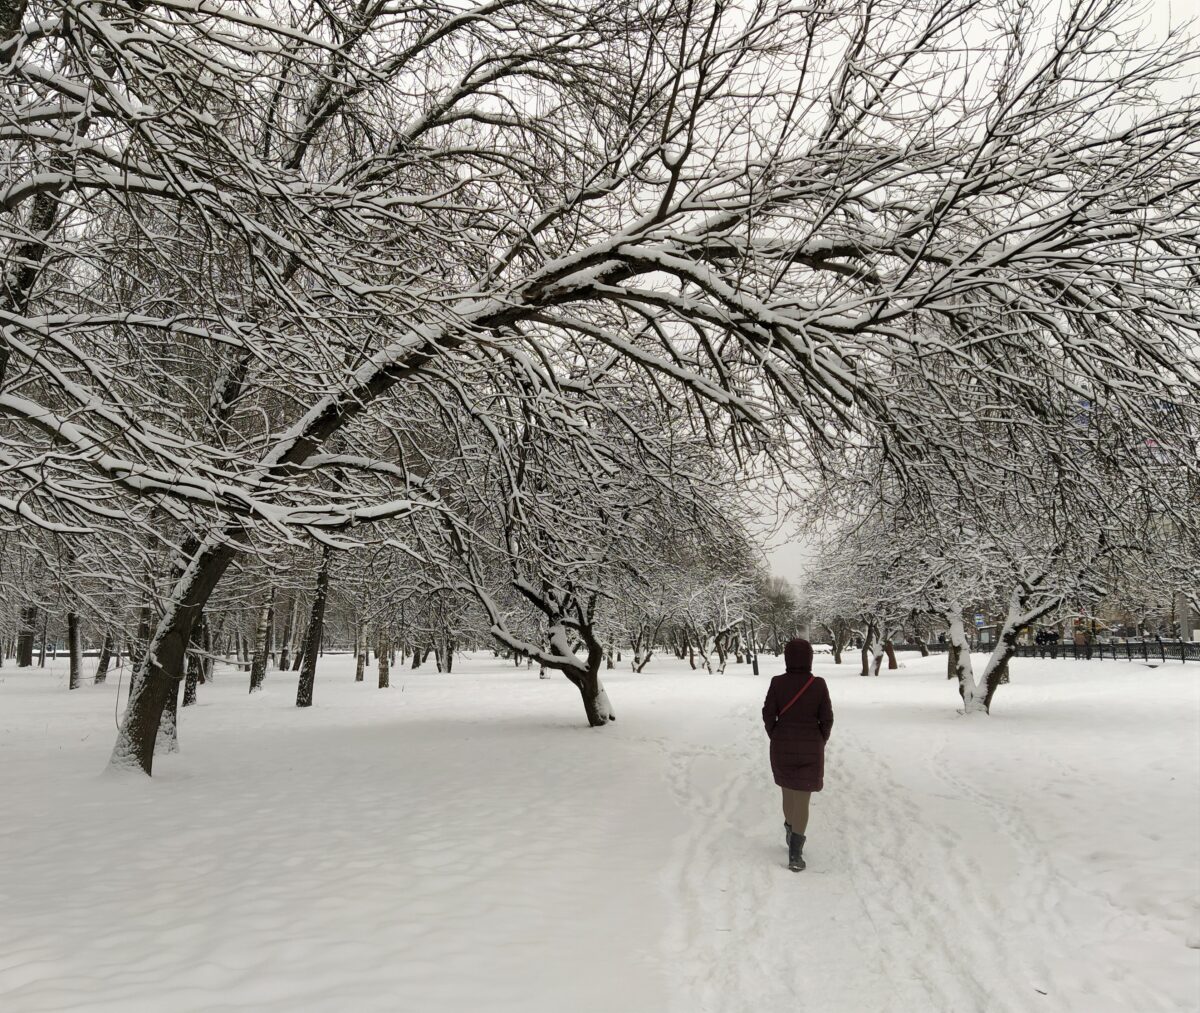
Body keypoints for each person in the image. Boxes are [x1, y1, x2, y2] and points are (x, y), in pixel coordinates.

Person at [762, 637, 834, 871]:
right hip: (810, 748)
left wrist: (775, 734)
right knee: (802, 798)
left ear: (787, 658)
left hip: (782, 746)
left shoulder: (777, 683)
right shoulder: (818, 684)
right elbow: (827, 718)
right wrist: (820, 739)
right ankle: (796, 853)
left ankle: (790, 830)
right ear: (810, 659)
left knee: (788, 794)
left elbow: (768, 713)